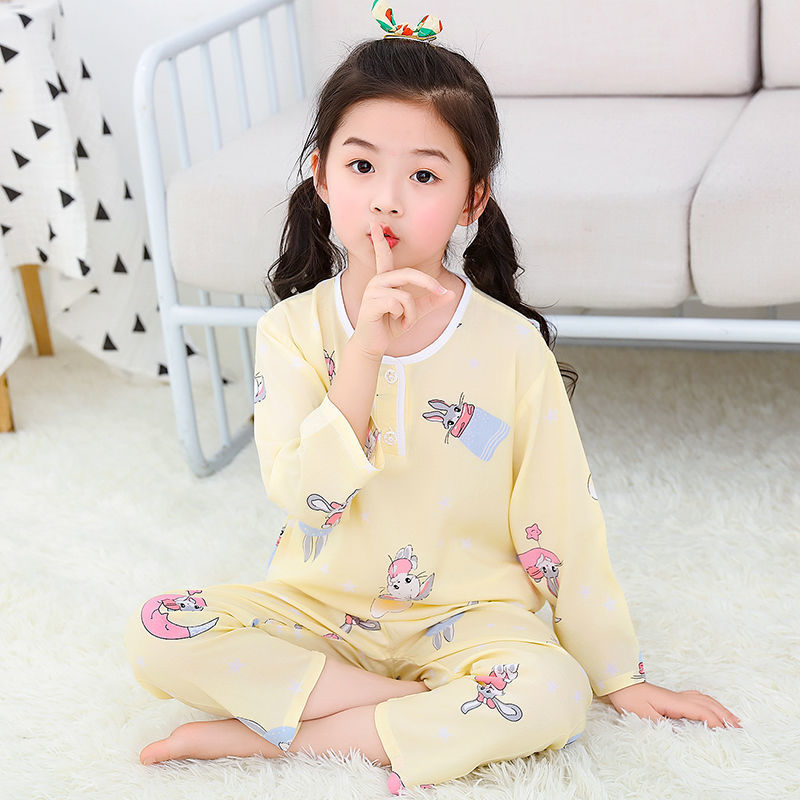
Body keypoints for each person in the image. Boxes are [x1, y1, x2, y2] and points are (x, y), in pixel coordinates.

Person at [124, 6, 741, 794]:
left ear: (471, 200)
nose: (386, 200)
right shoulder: (290, 331)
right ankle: (410, 715)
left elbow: (561, 522)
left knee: (554, 694)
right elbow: (305, 498)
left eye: (423, 176)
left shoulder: (510, 346)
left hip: (471, 622)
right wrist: (363, 354)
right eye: (361, 166)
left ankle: (283, 741)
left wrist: (616, 675)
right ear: (320, 176)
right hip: (321, 613)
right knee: (155, 633)